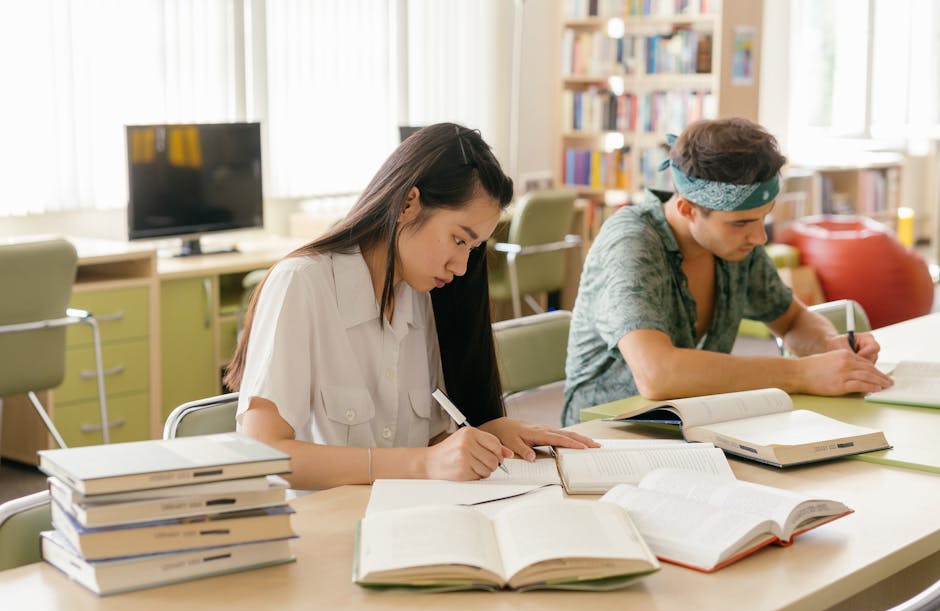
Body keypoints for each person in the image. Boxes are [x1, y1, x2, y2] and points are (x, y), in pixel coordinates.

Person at [224, 123, 596, 490]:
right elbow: (264, 454)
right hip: (325, 529)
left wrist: (487, 437)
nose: (462, 266)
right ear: (407, 204)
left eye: (473, 248)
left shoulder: (422, 295)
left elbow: (430, 444)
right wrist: (423, 463)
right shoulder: (302, 284)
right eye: (457, 239)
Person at [562, 117, 893, 426]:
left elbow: (791, 319)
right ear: (687, 209)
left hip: (699, 423)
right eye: (742, 223)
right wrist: (800, 373)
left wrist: (829, 346)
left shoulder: (732, 244)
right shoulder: (630, 242)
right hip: (605, 434)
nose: (760, 237)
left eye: (764, 218)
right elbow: (657, 375)